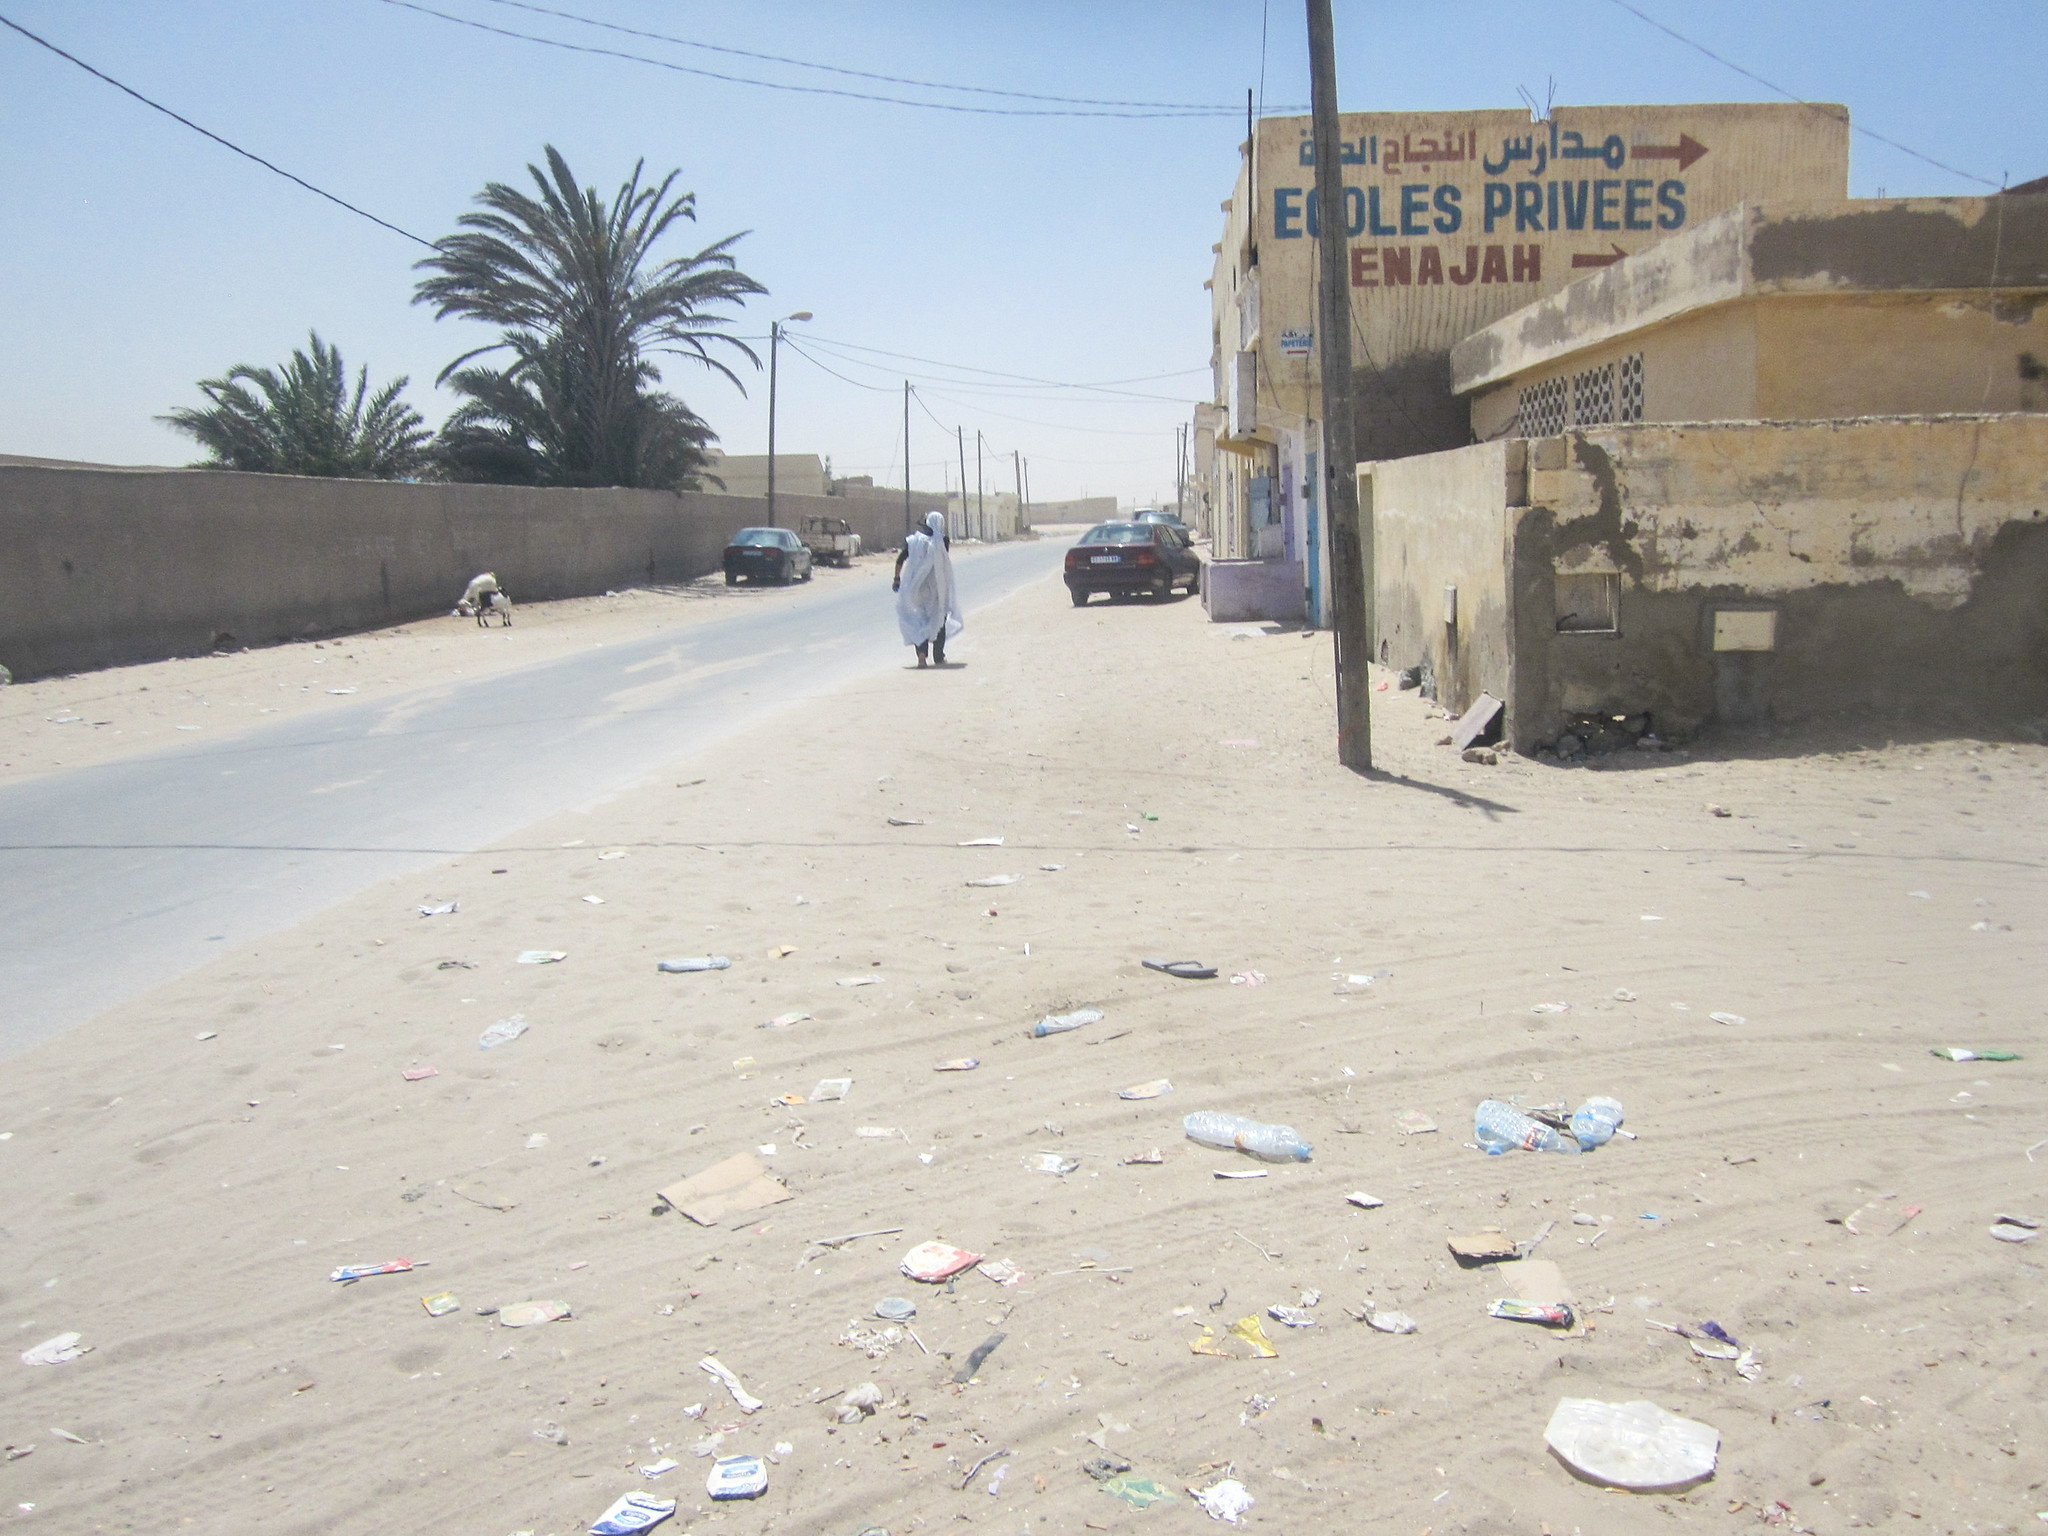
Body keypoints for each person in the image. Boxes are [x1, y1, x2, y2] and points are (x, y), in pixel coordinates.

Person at [892, 510, 963, 667]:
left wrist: (897, 579)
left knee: (919, 621)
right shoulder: (943, 541)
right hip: (937, 589)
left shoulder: (914, 541)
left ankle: (921, 656)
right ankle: (938, 656)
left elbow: (900, 560)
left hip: (917, 588)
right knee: (939, 619)